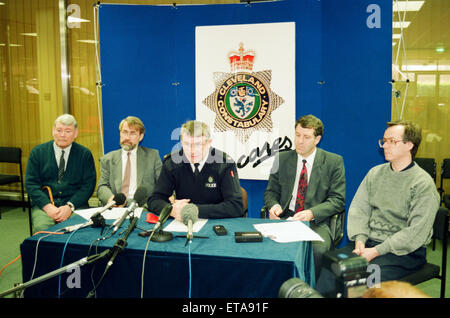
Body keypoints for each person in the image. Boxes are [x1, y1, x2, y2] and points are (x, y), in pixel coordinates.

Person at [316, 120, 440, 296]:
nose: (385, 146)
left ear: (409, 145)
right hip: (368, 243)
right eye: (384, 141)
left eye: (392, 141)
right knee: (331, 265)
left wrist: (375, 251)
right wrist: (360, 240)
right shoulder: (375, 173)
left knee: (360, 278)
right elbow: (359, 210)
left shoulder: (422, 183)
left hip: (403, 253)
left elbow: (415, 232)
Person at [264, 114, 346, 275]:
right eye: (298, 135)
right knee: (266, 247)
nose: (300, 141)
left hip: (316, 222)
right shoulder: (281, 158)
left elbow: (338, 200)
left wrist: (311, 213)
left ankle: (309, 290)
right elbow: (271, 192)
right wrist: (273, 205)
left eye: (306, 137)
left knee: (316, 251)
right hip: (285, 218)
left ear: (317, 139)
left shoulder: (333, 162)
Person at [148, 120, 244, 220]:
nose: (192, 150)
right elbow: (154, 199)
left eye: (198, 144)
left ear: (209, 143)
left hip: (215, 223)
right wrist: (171, 210)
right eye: (187, 144)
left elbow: (236, 206)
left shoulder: (224, 164)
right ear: (181, 142)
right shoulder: (172, 162)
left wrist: (194, 210)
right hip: (181, 223)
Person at [25, 114, 97, 233]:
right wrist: (48, 207)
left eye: (68, 131)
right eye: (59, 130)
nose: (62, 135)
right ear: (53, 131)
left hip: (76, 207)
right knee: (42, 229)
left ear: (75, 133)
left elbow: (88, 186)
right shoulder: (37, 152)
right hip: (45, 206)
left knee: (78, 231)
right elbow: (31, 184)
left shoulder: (85, 154)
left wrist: (70, 206)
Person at [97, 116, 162, 207]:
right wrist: (111, 199)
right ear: (120, 133)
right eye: (124, 132)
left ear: (141, 136)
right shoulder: (108, 159)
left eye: (133, 133)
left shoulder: (152, 156)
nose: (127, 137)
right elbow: (102, 186)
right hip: (116, 207)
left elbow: (162, 185)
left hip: (143, 208)